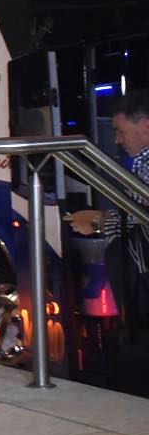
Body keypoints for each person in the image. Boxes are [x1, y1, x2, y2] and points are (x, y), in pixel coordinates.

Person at [66, 90, 149, 327]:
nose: (117, 140)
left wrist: (97, 221)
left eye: (120, 131)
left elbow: (138, 219)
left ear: (146, 126)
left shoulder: (146, 161)